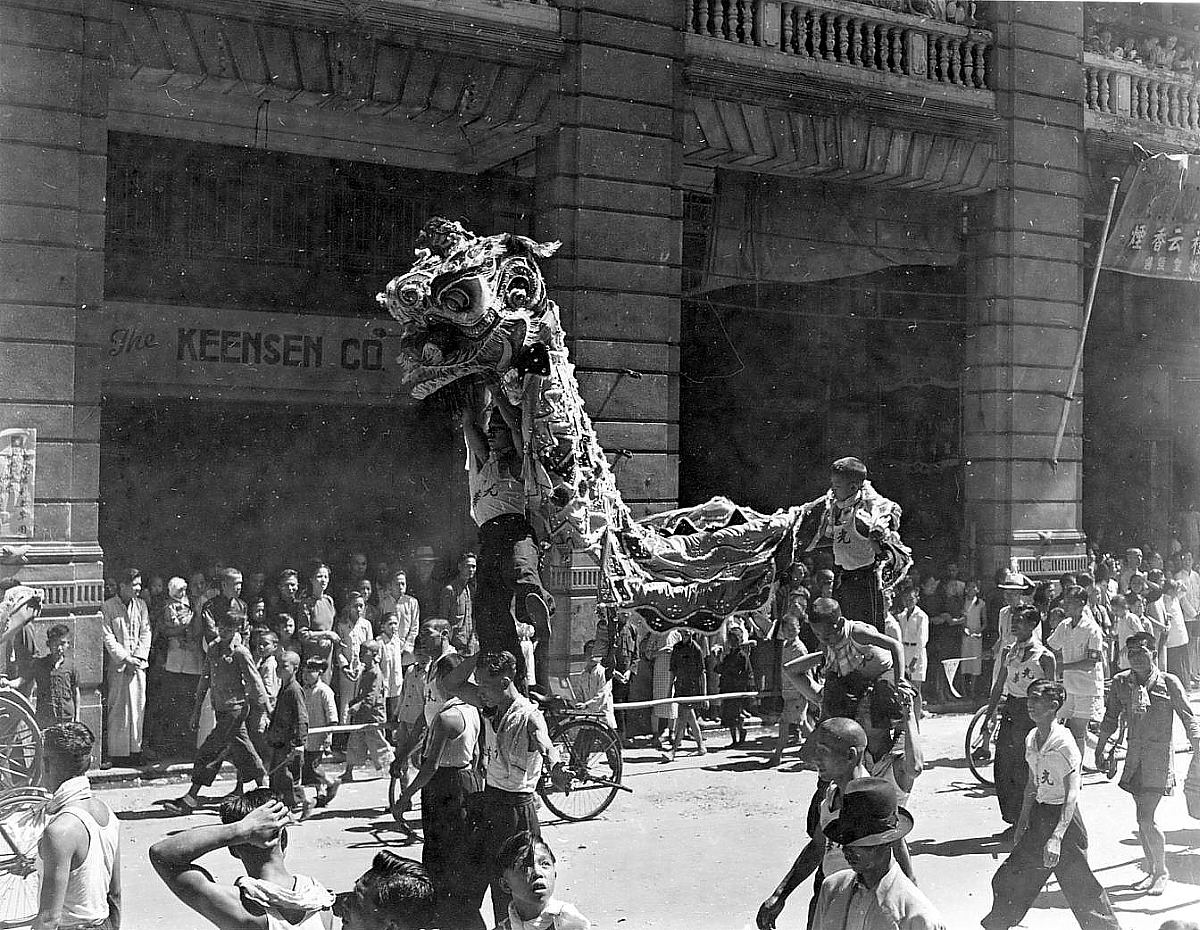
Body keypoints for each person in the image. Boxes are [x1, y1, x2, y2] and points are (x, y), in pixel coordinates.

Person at [981, 680, 1121, 930]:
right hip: (1040, 814)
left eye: (1036, 699)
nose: (1030, 704)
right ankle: (997, 925)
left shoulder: (1064, 744)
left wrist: (1057, 836)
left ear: (1054, 705)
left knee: (1082, 889)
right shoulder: (1033, 737)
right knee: (1007, 878)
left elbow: (1071, 795)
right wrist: (1022, 822)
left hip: (1064, 821)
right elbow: (1032, 785)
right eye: (1029, 698)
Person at [443, 650, 567, 925]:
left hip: (516, 813)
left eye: (485, 684)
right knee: (466, 890)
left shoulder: (528, 716)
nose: (480, 690)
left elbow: (545, 743)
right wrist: (479, 656)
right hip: (489, 807)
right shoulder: (491, 706)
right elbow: (451, 685)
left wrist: (555, 766)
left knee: (514, 894)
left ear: (505, 681)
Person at [756, 718, 912, 930]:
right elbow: (818, 847)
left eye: (823, 751)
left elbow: (898, 848)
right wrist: (781, 893)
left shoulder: (872, 798)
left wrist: (912, 900)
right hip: (833, 896)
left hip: (865, 906)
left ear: (850, 756)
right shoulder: (831, 794)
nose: (815, 758)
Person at [1095, 631, 1200, 896]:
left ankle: (1162, 871)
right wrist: (1100, 748)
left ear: (1153, 653)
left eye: (1142, 652)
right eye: (1131, 653)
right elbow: (1110, 718)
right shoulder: (1121, 683)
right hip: (1134, 760)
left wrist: (1197, 745)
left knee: (1145, 818)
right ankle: (1153, 870)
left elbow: (1189, 718)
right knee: (1142, 819)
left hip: (1158, 761)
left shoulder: (1168, 683)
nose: (1136, 658)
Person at [462, 390, 554, 686]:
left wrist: (496, 390)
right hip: (488, 537)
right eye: (491, 430)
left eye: (496, 432)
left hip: (515, 531)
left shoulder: (516, 462)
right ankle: (509, 668)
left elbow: (517, 428)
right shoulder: (482, 461)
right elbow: (469, 427)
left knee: (521, 571)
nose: (491, 436)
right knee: (487, 604)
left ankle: (538, 610)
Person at [149, 789, 339, 930]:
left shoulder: (240, 908)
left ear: (233, 850)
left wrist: (240, 830)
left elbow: (162, 855)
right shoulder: (319, 900)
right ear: (285, 839)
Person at [392, 651, 485, 930]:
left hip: (444, 787)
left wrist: (404, 798)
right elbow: (478, 755)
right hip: (467, 781)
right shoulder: (472, 711)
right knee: (459, 855)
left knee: (439, 856)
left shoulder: (446, 718)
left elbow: (430, 766)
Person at [166, 611, 269, 814]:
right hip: (221, 709)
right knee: (244, 751)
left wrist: (266, 710)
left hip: (235, 709)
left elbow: (255, 682)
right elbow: (205, 679)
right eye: (221, 627)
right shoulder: (213, 648)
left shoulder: (240, 652)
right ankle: (265, 789)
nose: (223, 632)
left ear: (237, 630)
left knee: (208, 751)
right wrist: (196, 710)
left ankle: (191, 798)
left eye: (229, 629)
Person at [812, 778, 945, 930]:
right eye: (846, 840)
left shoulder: (917, 916)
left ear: (888, 841)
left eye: (861, 842)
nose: (846, 850)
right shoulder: (831, 889)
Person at [799, 457, 908, 632]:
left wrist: (876, 541)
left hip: (864, 581)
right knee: (841, 631)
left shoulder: (864, 515)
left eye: (837, 486)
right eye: (832, 485)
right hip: (842, 577)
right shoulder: (834, 508)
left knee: (867, 634)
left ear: (852, 487)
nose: (833, 490)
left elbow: (882, 540)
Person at [33, 722, 121, 930]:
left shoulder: (60, 831)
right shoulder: (107, 813)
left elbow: (48, 919)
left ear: (45, 764)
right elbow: (115, 894)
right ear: (89, 763)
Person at [981, 606, 1056, 830]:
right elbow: (999, 684)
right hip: (1011, 711)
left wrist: (1049, 727)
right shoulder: (1008, 652)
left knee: (1027, 768)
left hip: (1033, 713)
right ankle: (1015, 820)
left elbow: (1052, 693)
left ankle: (1032, 823)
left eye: (1021, 621)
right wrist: (989, 714)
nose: (1015, 625)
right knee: (1004, 767)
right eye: (1013, 620)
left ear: (1033, 625)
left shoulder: (1044, 657)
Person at [789, 597, 905, 728]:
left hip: (883, 671)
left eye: (826, 635)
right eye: (817, 635)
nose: (823, 639)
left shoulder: (857, 633)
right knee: (833, 692)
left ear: (838, 624)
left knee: (885, 690)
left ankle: (897, 728)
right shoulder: (828, 643)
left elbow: (896, 646)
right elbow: (790, 669)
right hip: (859, 676)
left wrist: (900, 681)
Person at [1047, 586, 1105, 761]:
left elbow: (1091, 662)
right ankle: (1106, 750)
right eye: (1065, 601)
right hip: (1068, 687)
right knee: (1056, 724)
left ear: (1081, 604)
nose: (1065, 605)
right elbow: (1051, 647)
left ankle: (1075, 775)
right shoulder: (1064, 625)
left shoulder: (1092, 629)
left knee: (1078, 732)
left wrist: (1063, 667)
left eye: (1070, 602)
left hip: (1087, 688)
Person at [100, 567, 151, 766]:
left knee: (138, 707)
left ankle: (134, 752)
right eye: (134, 585)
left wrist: (137, 658)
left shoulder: (141, 606)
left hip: (137, 666)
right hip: (119, 666)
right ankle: (117, 754)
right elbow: (107, 636)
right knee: (118, 708)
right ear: (123, 586)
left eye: (139, 584)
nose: (138, 588)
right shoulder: (108, 607)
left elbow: (146, 632)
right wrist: (125, 658)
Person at [493, 832, 591, 930]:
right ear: (505, 885)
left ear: (555, 874)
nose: (537, 873)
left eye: (545, 864)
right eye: (524, 867)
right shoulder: (505, 927)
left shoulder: (568, 922)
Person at [158, 576, 204, 755]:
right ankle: (173, 744)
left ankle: (189, 744)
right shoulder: (168, 606)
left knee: (191, 702)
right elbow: (166, 628)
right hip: (175, 657)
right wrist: (180, 630)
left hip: (193, 658)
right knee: (174, 703)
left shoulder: (194, 603)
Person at [263, 650, 310, 819]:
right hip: (279, 741)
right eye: (278, 666)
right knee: (277, 776)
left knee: (287, 776)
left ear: (295, 668)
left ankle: (302, 803)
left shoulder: (295, 690)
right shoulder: (284, 687)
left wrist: (300, 743)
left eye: (284, 667)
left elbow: (302, 718)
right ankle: (288, 809)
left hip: (289, 742)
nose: (278, 670)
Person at [340, 641, 395, 782]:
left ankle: (390, 767)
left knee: (377, 744)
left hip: (373, 715)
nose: (361, 655)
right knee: (354, 742)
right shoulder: (365, 671)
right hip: (361, 714)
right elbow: (362, 693)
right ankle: (348, 771)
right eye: (360, 651)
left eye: (365, 652)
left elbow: (372, 696)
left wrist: (359, 706)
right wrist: (354, 703)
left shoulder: (376, 673)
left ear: (375, 655)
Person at [771, 614, 820, 767]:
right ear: (783, 631)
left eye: (794, 629)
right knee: (803, 725)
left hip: (798, 693)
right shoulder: (786, 646)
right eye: (788, 629)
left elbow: (808, 670)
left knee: (785, 723)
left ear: (799, 629)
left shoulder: (799, 648)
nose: (791, 632)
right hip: (789, 692)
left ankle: (777, 756)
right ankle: (817, 753)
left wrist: (808, 693)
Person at [300, 657, 339, 808]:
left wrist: (329, 736)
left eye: (311, 672)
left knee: (314, 765)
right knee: (307, 765)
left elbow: (331, 716)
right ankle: (320, 792)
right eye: (304, 672)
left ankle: (330, 782)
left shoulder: (324, 691)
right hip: (306, 735)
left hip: (319, 735)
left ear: (320, 672)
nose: (306, 675)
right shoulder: (304, 690)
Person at [28, 623, 80, 726]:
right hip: (45, 718)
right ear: (48, 644)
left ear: (68, 644)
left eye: (63, 643)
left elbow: (76, 692)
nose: (59, 648)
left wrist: (77, 716)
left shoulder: (71, 667)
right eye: (55, 644)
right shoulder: (40, 665)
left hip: (66, 718)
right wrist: (10, 683)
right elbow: (24, 679)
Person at [667, 628, 707, 761]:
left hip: (693, 688)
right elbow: (673, 670)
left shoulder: (696, 649)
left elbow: (702, 673)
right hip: (681, 686)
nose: (686, 634)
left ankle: (673, 750)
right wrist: (669, 689)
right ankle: (701, 746)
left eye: (688, 632)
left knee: (683, 717)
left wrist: (704, 696)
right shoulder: (677, 648)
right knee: (689, 717)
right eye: (683, 632)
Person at [894, 585, 929, 720]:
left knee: (916, 687)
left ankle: (917, 715)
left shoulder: (921, 616)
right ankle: (907, 715)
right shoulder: (902, 615)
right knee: (904, 685)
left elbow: (922, 639)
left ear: (917, 599)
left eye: (911, 599)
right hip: (904, 650)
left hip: (917, 652)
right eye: (906, 599)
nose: (908, 602)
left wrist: (915, 659)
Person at [718, 624, 755, 748]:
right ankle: (734, 739)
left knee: (737, 716)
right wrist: (718, 659)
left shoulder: (742, 656)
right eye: (731, 640)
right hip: (728, 688)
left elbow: (746, 674)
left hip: (737, 690)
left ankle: (741, 735)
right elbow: (719, 669)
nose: (733, 643)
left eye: (735, 640)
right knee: (729, 716)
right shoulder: (728, 656)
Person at [575, 639, 616, 730]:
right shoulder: (583, 674)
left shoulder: (604, 673)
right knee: (582, 743)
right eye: (588, 653)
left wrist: (586, 705)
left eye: (594, 653)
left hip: (602, 717)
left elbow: (602, 695)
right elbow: (579, 693)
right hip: (588, 718)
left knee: (607, 742)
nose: (591, 656)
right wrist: (579, 703)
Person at [441, 552, 477, 655]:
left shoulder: (470, 590)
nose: (471, 570)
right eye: (467, 566)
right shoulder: (450, 590)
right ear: (460, 567)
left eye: (473, 567)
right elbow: (443, 622)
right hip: (454, 647)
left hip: (469, 646)